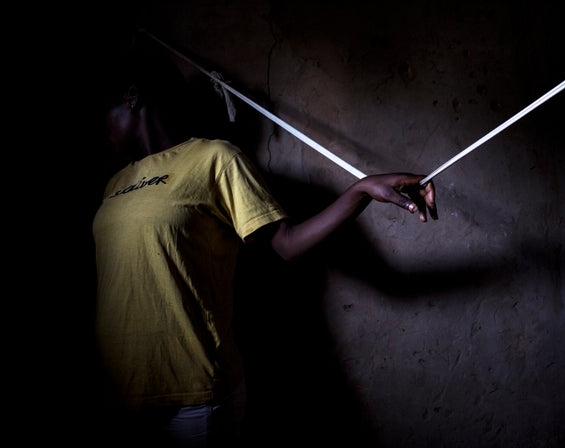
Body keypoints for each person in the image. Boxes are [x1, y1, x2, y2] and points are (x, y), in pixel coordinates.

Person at [92, 37, 438, 447]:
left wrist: (359, 190)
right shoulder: (116, 182)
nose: (101, 129)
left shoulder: (214, 159)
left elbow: (285, 243)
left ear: (131, 97)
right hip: (120, 397)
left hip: (195, 399)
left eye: (103, 113)